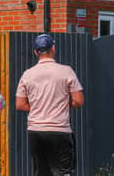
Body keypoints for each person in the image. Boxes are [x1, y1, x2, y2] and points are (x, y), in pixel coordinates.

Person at [15, 34, 84, 176]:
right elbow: (78, 101)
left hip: (35, 132)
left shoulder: (27, 74)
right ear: (53, 48)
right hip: (59, 130)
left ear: (35, 52)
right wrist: (62, 103)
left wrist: (38, 105)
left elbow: (20, 104)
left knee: (41, 172)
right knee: (64, 172)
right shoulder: (66, 71)